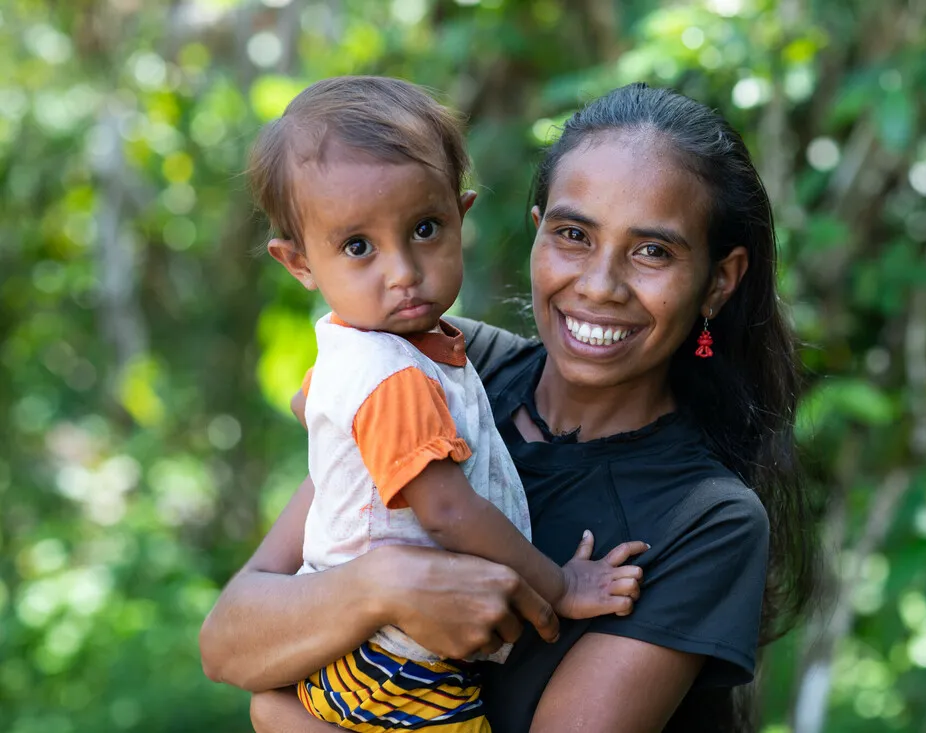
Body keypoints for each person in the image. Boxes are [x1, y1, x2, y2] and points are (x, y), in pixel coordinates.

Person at [201, 82, 819, 733]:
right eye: (574, 234)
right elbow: (229, 640)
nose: (599, 284)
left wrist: (287, 719)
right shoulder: (443, 369)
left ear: (718, 281)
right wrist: (385, 584)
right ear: (538, 234)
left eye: (651, 251)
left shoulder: (704, 517)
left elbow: (269, 692)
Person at [247, 75, 647, 732]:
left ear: (462, 215)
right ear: (299, 263)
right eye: (358, 246)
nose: (401, 270)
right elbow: (450, 511)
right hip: (396, 666)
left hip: (360, 650)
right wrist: (561, 585)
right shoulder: (392, 375)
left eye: (425, 228)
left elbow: (310, 404)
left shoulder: (365, 350)